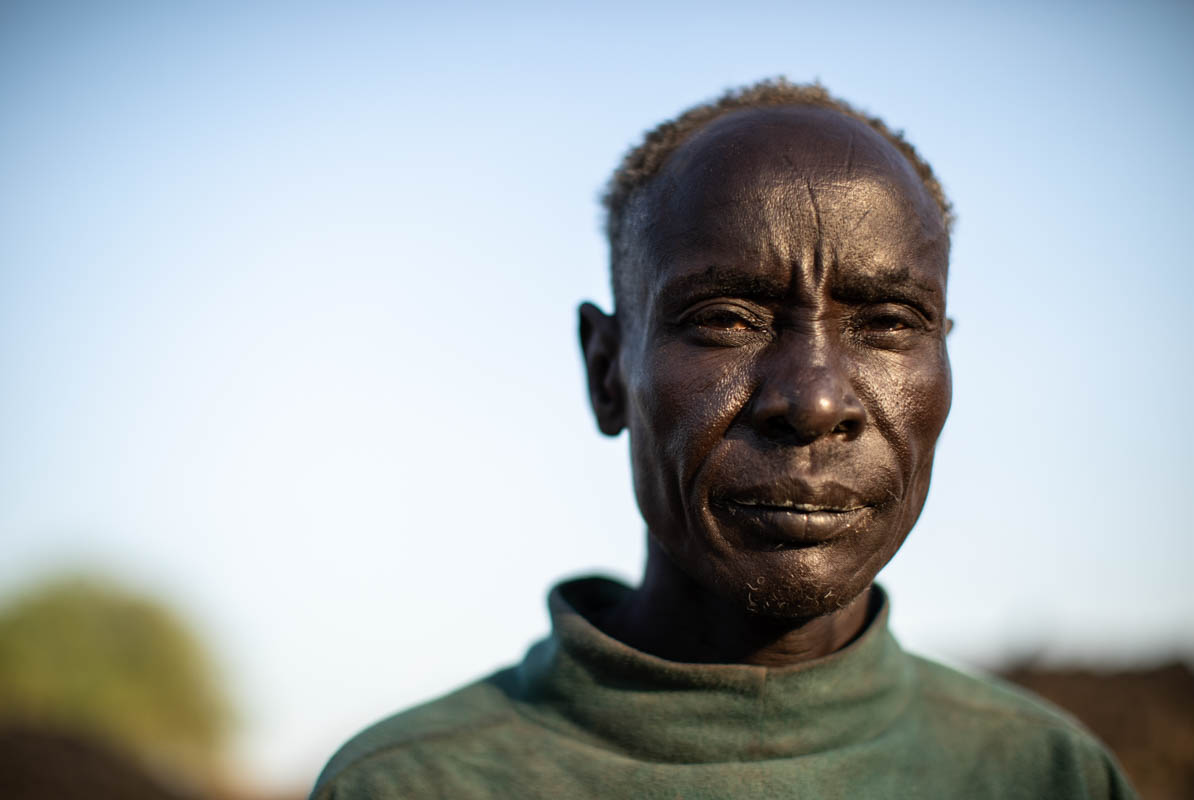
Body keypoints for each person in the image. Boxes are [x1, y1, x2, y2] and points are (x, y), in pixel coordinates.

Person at [310, 79, 1137, 799]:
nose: (813, 402)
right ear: (608, 373)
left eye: (888, 322)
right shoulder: (406, 785)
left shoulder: (1048, 776)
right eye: (726, 320)